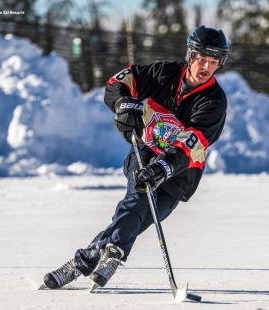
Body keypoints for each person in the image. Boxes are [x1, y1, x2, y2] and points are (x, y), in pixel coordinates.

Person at [42, 25, 229, 291]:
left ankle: (79, 263)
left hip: (179, 175)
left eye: (213, 62)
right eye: (202, 58)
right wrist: (123, 104)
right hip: (144, 152)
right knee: (138, 198)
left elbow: (192, 144)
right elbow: (119, 81)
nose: (206, 67)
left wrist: (163, 168)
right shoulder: (162, 73)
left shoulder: (214, 100)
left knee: (136, 220)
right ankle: (115, 253)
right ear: (190, 55)